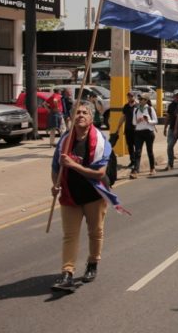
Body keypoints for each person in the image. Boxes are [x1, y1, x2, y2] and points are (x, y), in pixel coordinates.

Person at [50, 101, 121, 291]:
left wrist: (73, 165)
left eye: (84, 113)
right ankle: (67, 273)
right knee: (70, 235)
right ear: (71, 117)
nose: (80, 115)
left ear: (91, 118)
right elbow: (56, 167)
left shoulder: (101, 142)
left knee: (95, 232)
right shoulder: (65, 141)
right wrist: (55, 185)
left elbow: (99, 173)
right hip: (70, 195)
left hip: (93, 196)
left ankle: (92, 263)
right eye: (77, 113)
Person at [131, 93, 158, 178]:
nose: (140, 100)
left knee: (149, 151)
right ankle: (136, 170)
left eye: (142, 99)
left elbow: (156, 121)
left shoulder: (150, 109)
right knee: (137, 152)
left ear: (146, 100)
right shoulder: (136, 109)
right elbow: (133, 122)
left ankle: (152, 168)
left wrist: (148, 120)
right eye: (139, 99)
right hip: (139, 132)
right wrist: (137, 121)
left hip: (148, 132)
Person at [163, 90, 178, 170]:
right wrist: (165, 128)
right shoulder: (171, 105)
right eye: (176, 95)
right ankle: (170, 164)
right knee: (170, 146)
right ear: (174, 96)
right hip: (172, 129)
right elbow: (168, 117)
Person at [115, 92, 138, 168]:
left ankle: (137, 163)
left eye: (131, 96)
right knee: (130, 146)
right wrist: (118, 127)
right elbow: (123, 117)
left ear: (134, 97)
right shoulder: (126, 106)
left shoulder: (138, 106)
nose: (130, 98)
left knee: (137, 146)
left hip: (137, 130)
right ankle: (132, 161)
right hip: (128, 129)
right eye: (128, 97)